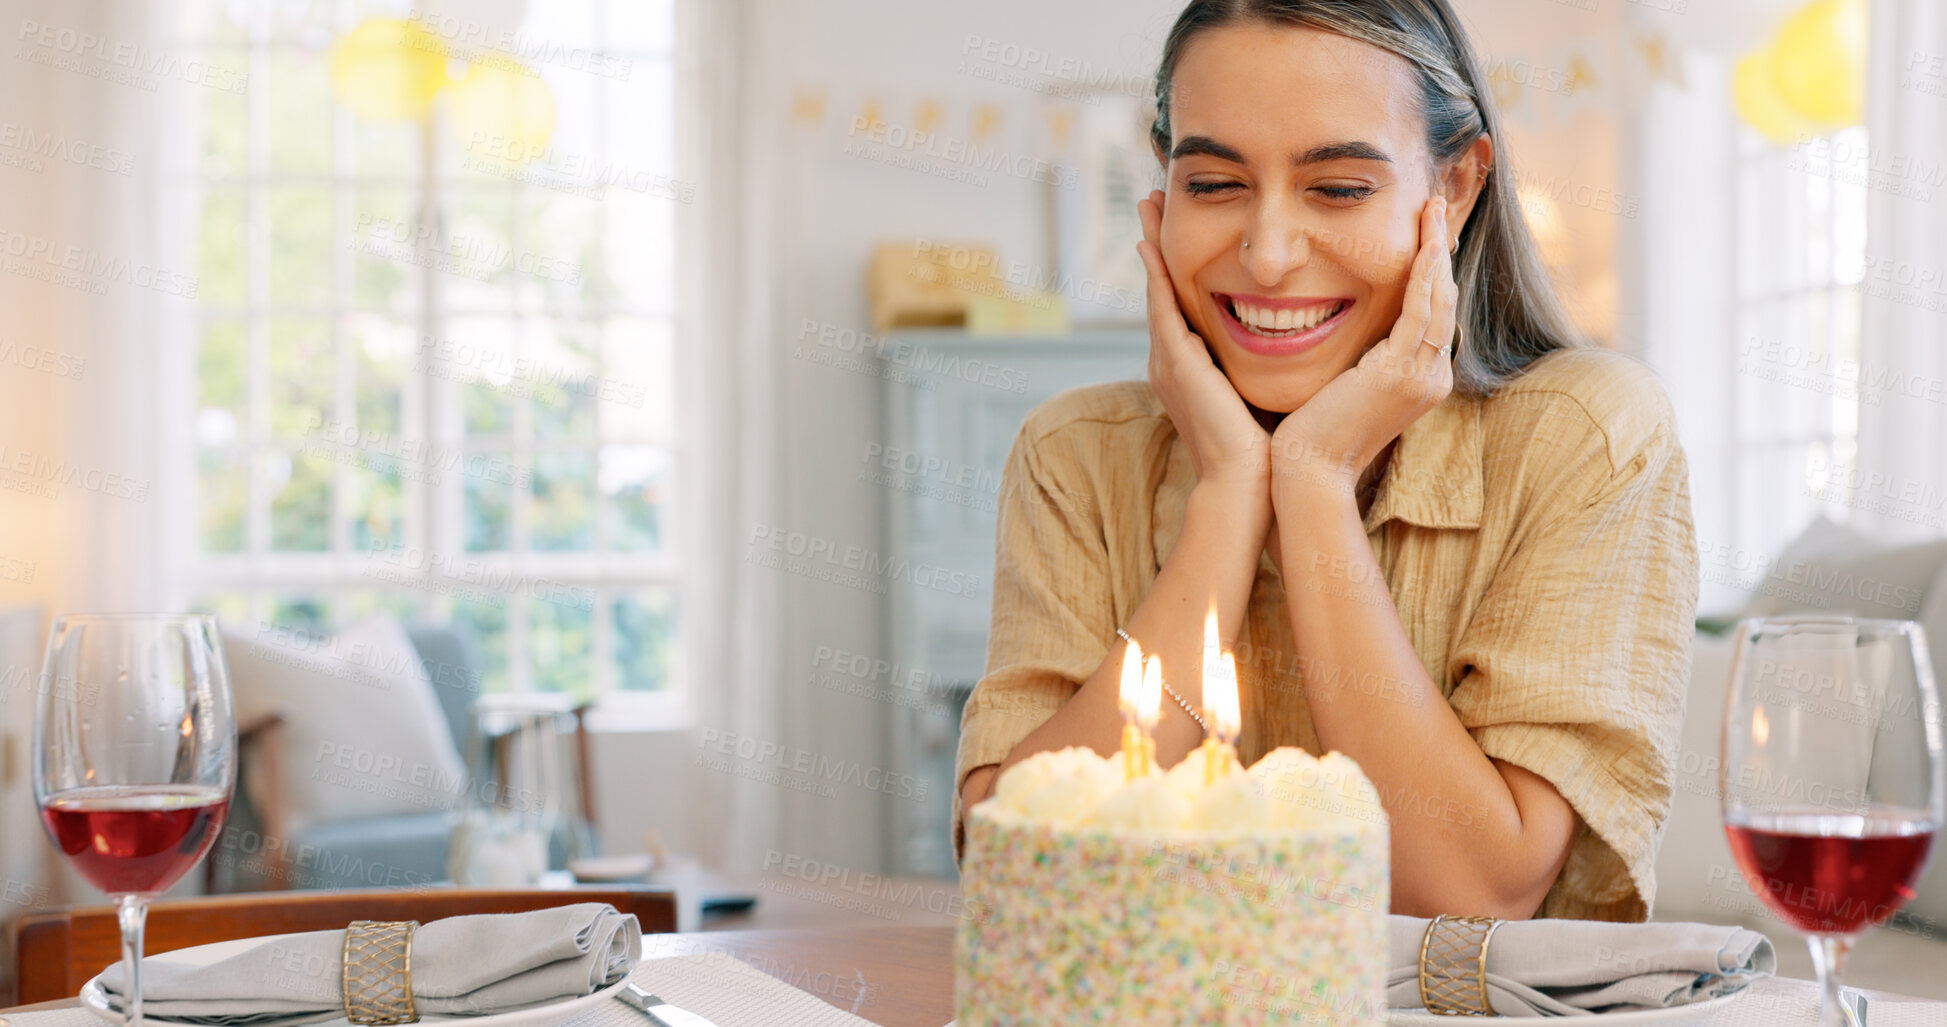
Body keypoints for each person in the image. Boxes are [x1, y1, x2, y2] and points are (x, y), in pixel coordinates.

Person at [952, 0, 1699, 923]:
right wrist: (1228, 496)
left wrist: (1309, 483)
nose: (1265, 257)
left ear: (1456, 188)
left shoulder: (1586, 433)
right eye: (1214, 184)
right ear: (1162, 191)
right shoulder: (1073, 455)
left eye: (1338, 188)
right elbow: (1026, 882)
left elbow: (1471, 893)